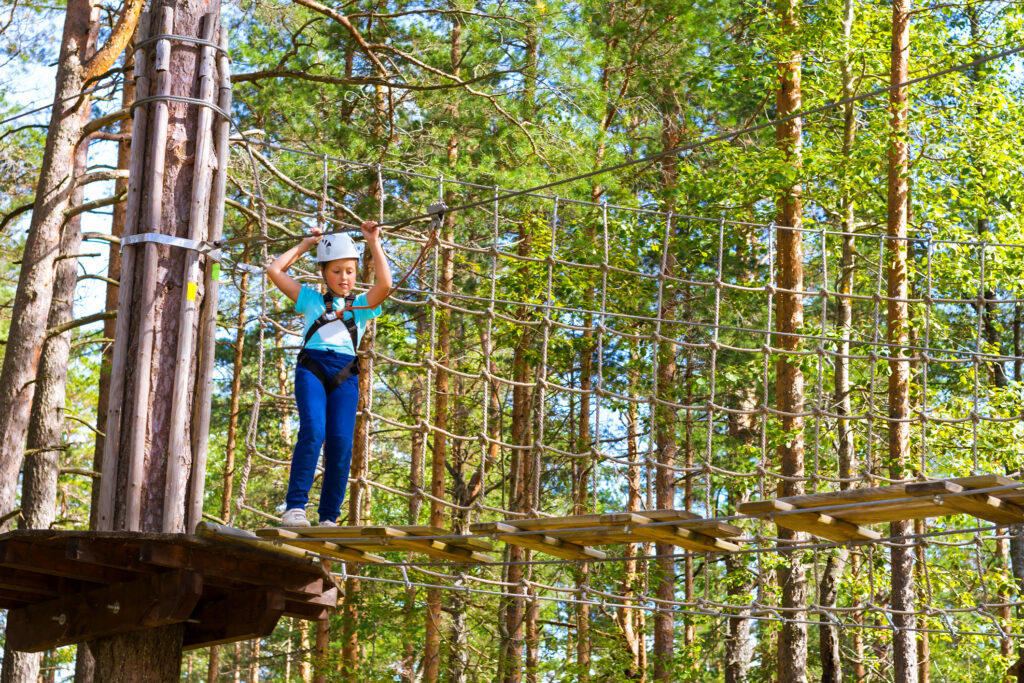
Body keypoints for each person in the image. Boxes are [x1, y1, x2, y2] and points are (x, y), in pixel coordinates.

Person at [267, 220, 393, 527]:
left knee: (340, 442)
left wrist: (373, 242)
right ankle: (295, 508)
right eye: (336, 271)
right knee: (313, 431)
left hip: (346, 374)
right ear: (324, 273)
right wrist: (305, 245)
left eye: (349, 271)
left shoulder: (362, 304)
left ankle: (329, 517)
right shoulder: (311, 299)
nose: (344, 278)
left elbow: (385, 285)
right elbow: (274, 271)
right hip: (312, 367)